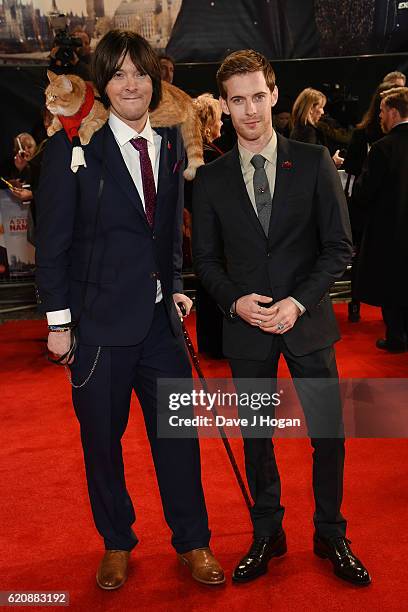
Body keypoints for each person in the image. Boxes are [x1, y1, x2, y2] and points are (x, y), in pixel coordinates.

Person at [36, 30, 224, 590]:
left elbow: (164, 230)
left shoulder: (170, 142)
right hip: (96, 328)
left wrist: (174, 284)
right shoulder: (70, 152)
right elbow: (52, 244)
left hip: (160, 326)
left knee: (178, 441)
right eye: (117, 74)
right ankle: (117, 541)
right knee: (102, 445)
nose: (130, 84)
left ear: (155, 79)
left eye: (139, 73)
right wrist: (59, 325)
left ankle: (193, 542)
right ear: (102, 85)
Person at [193, 49, 370, 586]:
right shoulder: (211, 179)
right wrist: (234, 302)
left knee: (329, 434)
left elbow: (338, 247)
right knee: (256, 437)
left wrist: (297, 302)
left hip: (308, 323)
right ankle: (268, 531)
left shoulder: (313, 163)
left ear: (274, 93)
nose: (250, 110)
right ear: (225, 104)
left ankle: (331, 530)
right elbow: (203, 261)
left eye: (258, 96)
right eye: (237, 100)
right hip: (246, 330)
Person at [352, 87, 408, 352]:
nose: (380, 118)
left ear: (394, 112)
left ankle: (397, 337)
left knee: (392, 284)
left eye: (383, 112)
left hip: (391, 231)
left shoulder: (382, 148)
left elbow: (363, 192)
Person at [344, 82, 398, 322]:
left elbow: (364, 187)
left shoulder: (382, 145)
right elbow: (355, 170)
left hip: (383, 213)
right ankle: (357, 302)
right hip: (372, 214)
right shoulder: (364, 135)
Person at [185, 93, 224, 357]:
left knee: (208, 284)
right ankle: (216, 345)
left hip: (201, 230)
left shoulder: (194, 153)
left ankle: (212, 344)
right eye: (220, 119)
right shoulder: (207, 157)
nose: (222, 125)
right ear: (210, 121)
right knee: (215, 286)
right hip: (213, 231)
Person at [290, 88, 344, 167]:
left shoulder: (299, 129)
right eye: (321, 107)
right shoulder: (308, 132)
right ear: (311, 108)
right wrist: (333, 162)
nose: (323, 112)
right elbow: (309, 164)